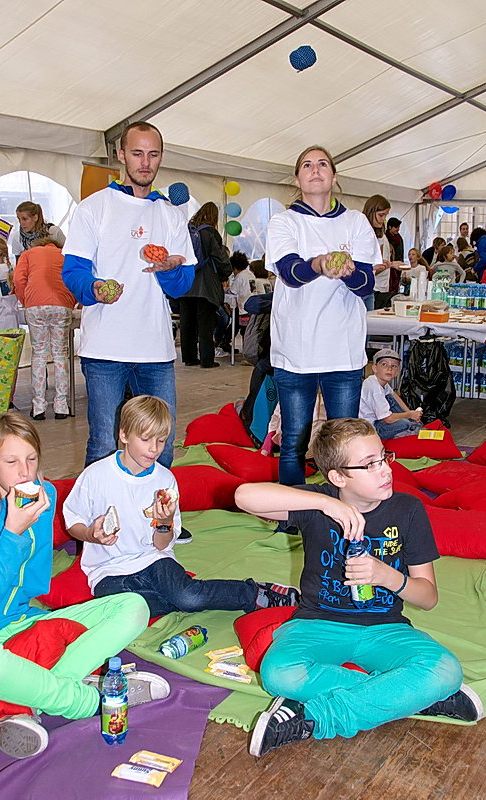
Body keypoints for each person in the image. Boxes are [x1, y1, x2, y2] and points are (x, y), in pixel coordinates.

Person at [235, 417, 484, 758]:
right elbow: (243, 496)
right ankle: (413, 697)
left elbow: (428, 598)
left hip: (386, 628)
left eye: (384, 457)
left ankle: (314, 718)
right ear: (337, 477)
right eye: (369, 465)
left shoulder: (408, 509)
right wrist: (326, 504)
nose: (386, 470)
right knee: (278, 673)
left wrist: (386, 576)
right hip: (317, 623)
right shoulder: (317, 503)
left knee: (446, 669)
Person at [0, 411, 167, 760]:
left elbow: (31, 586)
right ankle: (86, 701)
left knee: (134, 606)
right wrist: (12, 534)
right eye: (11, 462)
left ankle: (36, 694)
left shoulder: (43, 496)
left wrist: (92, 534)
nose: (25, 473)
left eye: (31, 459)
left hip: (22, 624)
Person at [63, 395, 300, 618]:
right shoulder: (96, 475)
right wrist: (90, 534)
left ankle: (252, 593)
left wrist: (164, 523)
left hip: (153, 559)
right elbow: (73, 521)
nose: (154, 449)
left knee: (189, 597)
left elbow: (161, 545)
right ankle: (179, 596)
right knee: (130, 608)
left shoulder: (164, 480)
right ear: (123, 435)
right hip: (108, 571)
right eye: (145, 439)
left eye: (161, 441)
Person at [62, 121, 196, 473]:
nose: (145, 162)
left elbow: (182, 285)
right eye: (137, 153)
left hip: (156, 349)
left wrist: (168, 268)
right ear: (121, 155)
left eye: (153, 154)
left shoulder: (171, 215)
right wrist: (94, 288)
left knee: (161, 444)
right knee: (104, 443)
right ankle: (98, 509)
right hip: (104, 348)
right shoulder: (94, 208)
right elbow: (73, 272)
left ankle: (159, 508)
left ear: (161, 157)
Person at [266, 145, 380, 486]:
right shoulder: (284, 221)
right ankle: (292, 510)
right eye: (306, 165)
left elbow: (366, 285)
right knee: (294, 442)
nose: (315, 170)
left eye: (322, 164)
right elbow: (290, 273)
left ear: (334, 176)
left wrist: (347, 272)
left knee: (346, 443)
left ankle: (345, 506)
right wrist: (319, 264)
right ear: (297, 179)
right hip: (295, 350)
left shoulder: (355, 221)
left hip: (343, 350)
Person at [13, 237, 76, 420]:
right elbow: (73, 278)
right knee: (60, 354)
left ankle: (38, 406)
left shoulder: (28, 254)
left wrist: (26, 299)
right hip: (62, 304)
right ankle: (61, 406)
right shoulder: (65, 254)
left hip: (35, 305)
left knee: (39, 354)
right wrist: (71, 301)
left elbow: (18, 279)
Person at [179, 202, 232, 369]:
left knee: (187, 323)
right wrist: (225, 274)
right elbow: (220, 257)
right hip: (205, 285)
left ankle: (189, 357)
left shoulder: (187, 231)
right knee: (205, 324)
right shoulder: (210, 233)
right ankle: (207, 360)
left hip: (185, 284)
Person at [359, 349, 422, 439]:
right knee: (404, 423)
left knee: (390, 398)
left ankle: (411, 425)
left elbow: (394, 396)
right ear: (375, 368)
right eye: (384, 364)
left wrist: (410, 413)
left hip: (379, 420)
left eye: (394, 366)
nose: (389, 369)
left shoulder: (380, 382)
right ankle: (410, 428)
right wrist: (409, 415)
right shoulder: (374, 387)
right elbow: (388, 419)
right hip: (371, 428)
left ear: (397, 372)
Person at [362, 195, 394, 310]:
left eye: (385, 215)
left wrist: (389, 264)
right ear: (371, 212)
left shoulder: (380, 234)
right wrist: (387, 265)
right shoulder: (361, 232)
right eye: (381, 215)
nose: (383, 219)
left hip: (372, 288)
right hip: (365, 287)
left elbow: (378, 263)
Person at [385, 217, 404, 296]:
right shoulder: (385, 238)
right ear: (390, 227)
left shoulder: (399, 238)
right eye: (396, 227)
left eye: (398, 227)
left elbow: (401, 252)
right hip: (388, 266)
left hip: (398, 266)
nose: (398, 229)